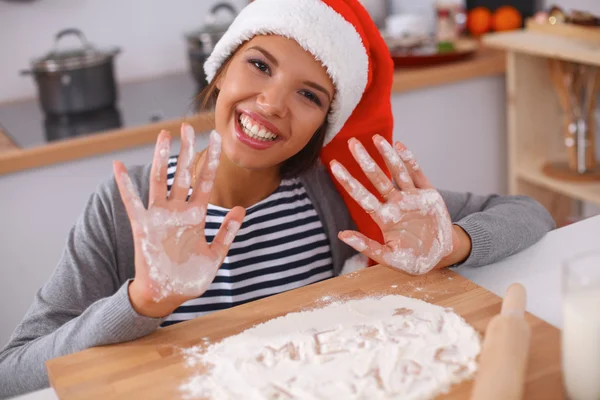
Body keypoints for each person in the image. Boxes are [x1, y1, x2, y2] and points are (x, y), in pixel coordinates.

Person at [0, 0, 555, 397]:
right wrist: (142, 301)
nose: (271, 103)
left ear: (323, 123)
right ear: (219, 71)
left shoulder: (333, 191)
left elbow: (531, 213)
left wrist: (451, 244)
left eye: (308, 94)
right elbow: (13, 373)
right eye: (259, 65)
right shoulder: (127, 212)